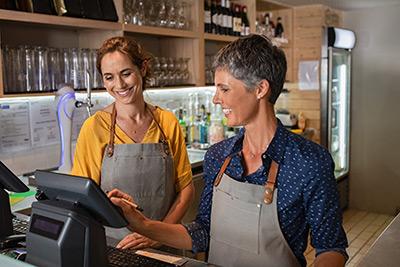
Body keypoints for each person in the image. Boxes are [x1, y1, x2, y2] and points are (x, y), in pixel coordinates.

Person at [108, 34, 348, 267]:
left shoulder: (309, 162)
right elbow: (203, 232)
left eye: (224, 89)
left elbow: (331, 249)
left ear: (260, 89)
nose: (215, 99)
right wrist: (142, 223)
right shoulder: (219, 157)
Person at [71, 36, 194, 250]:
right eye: (109, 77)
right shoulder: (94, 128)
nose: (119, 85)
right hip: (114, 248)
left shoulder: (167, 122)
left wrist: (158, 234)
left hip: (165, 247)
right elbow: (81, 198)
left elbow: (185, 189)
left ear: (143, 68)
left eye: (126, 73)